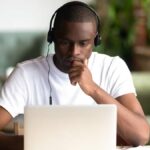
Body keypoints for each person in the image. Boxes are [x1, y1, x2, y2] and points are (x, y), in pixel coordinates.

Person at [0, 1, 149, 146]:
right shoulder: (25, 74)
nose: (74, 52)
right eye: (65, 42)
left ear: (96, 40)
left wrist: (92, 89)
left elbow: (141, 136)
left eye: (83, 43)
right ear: (53, 39)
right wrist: (32, 143)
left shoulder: (112, 67)